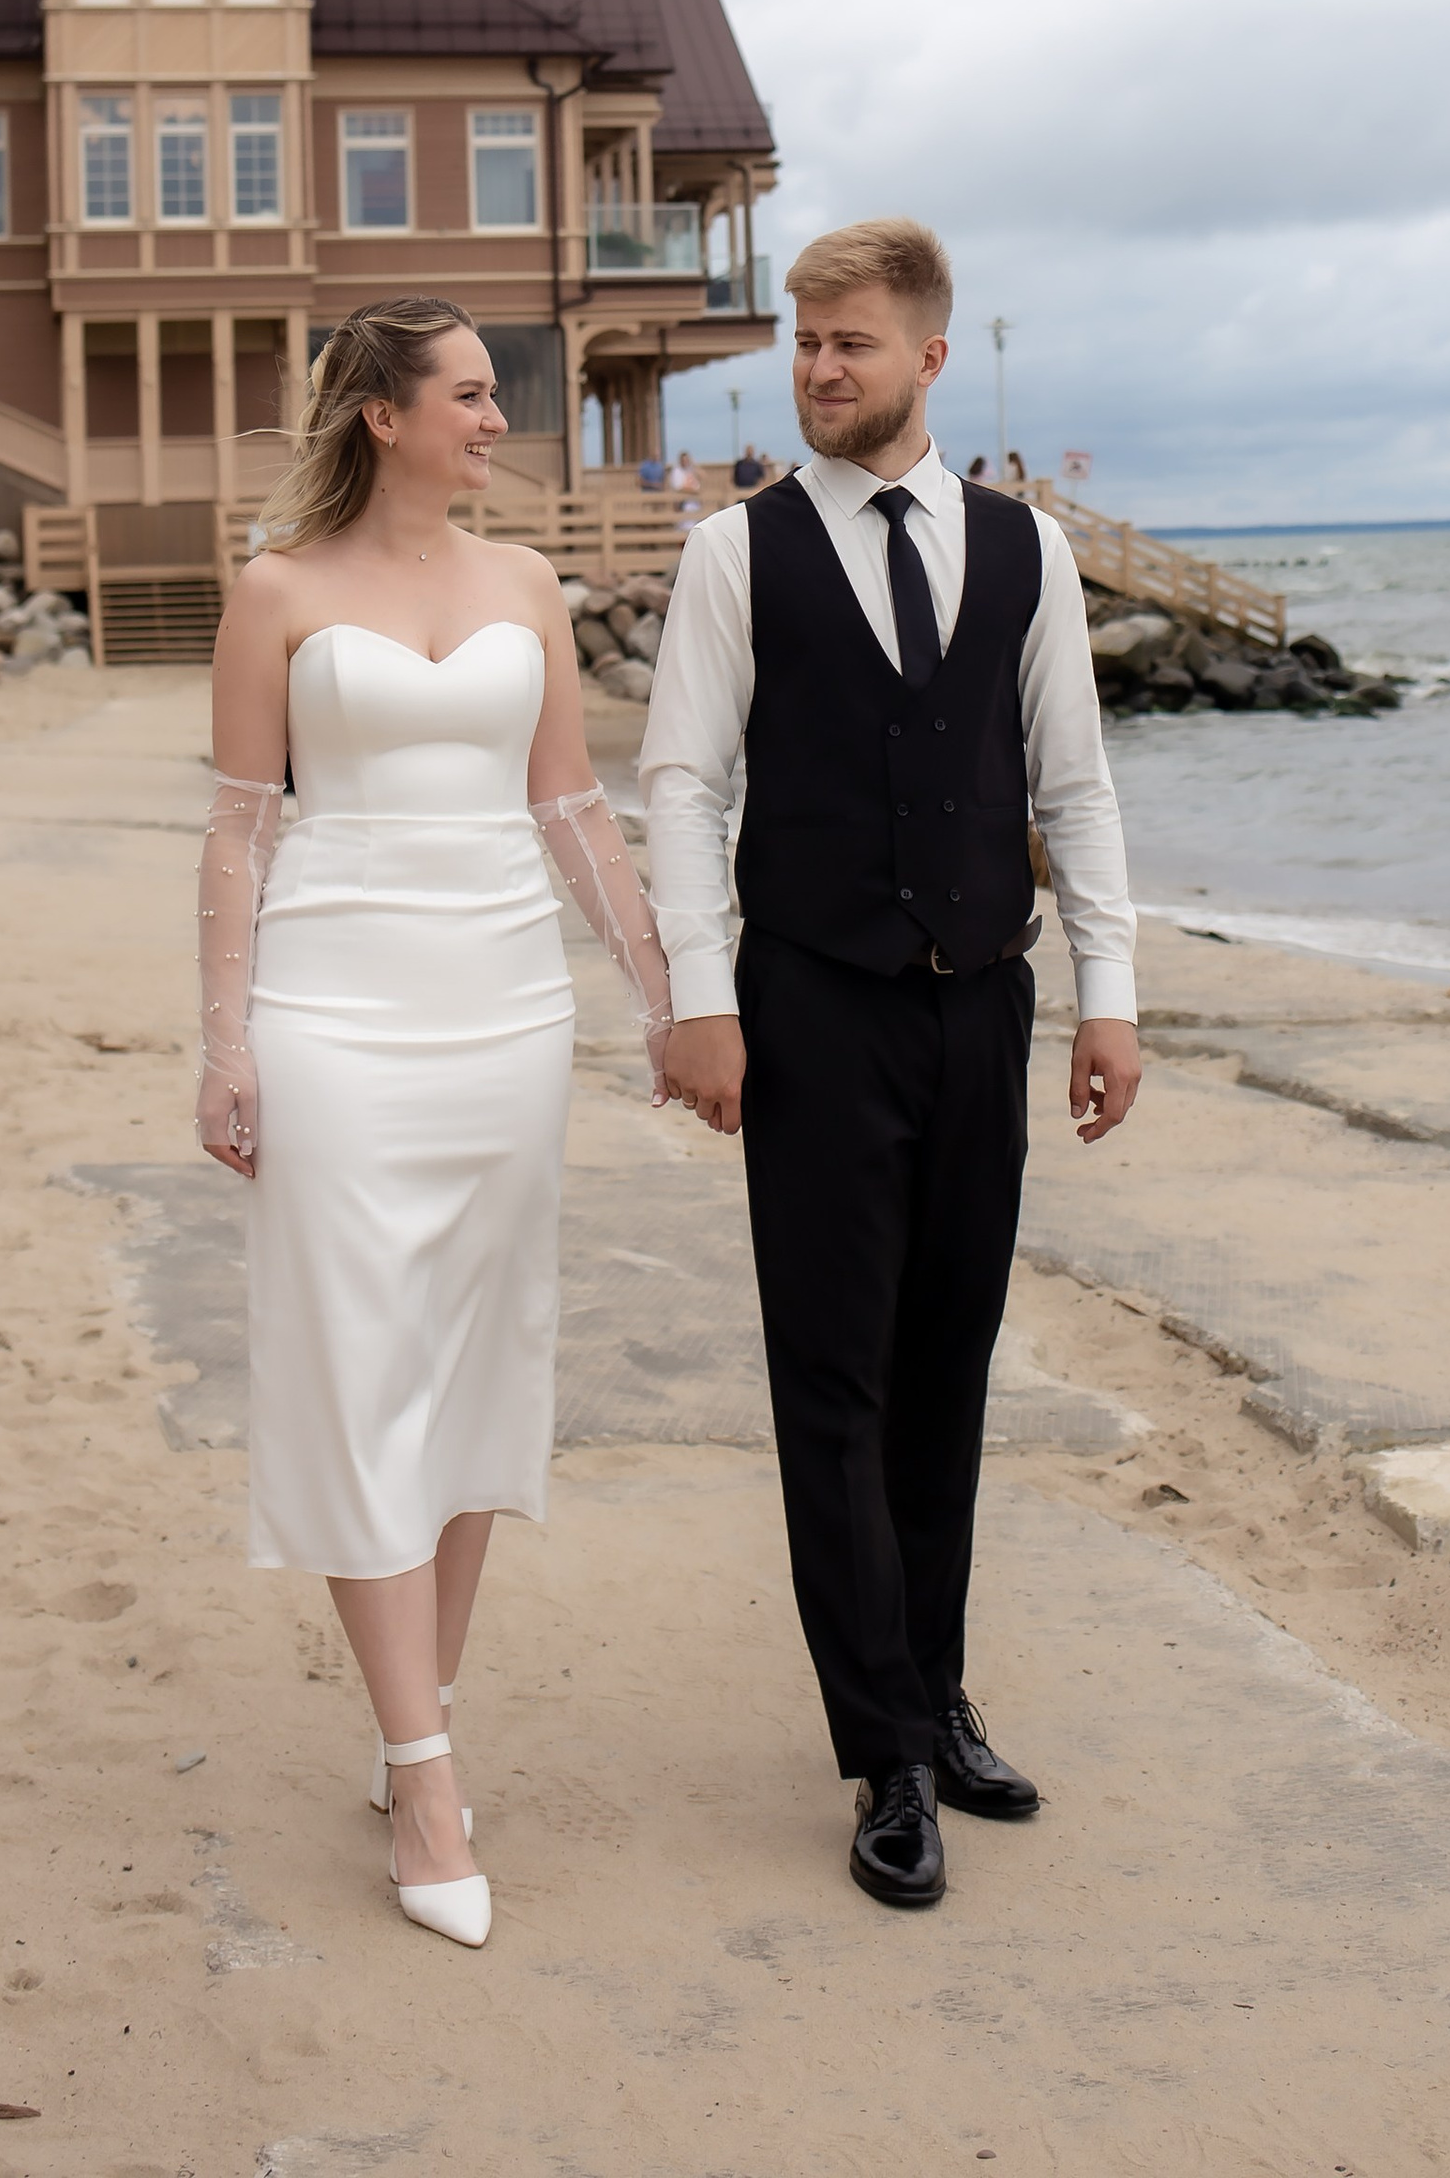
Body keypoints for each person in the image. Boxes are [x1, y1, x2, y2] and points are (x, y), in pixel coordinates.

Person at [641, 217, 1142, 1911]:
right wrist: (698, 999)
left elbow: (1073, 786)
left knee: (949, 1370)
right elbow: (685, 789)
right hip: (812, 1009)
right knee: (834, 1384)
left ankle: (934, 1688)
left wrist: (1109, 995)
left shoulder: (1026, 549)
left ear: (930, 357)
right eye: (804, 343)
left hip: (979, 1008)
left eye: (850, 342)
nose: (819, 369)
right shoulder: (739, 553)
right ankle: (886, 1755)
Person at [198, 297, 674, 1952]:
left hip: (507, 1016)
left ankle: (424, 1716)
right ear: (383, 416)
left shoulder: (526, 583)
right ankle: (422, 1777)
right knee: (358, 1367)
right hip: (332, 1015)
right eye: (469, 395)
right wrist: (224, 1047)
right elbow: (240, 834)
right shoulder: (274, 591)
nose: (495, 420)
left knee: (475, 1365)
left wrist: (663, 997)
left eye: (495, 395)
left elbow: (573, 809)